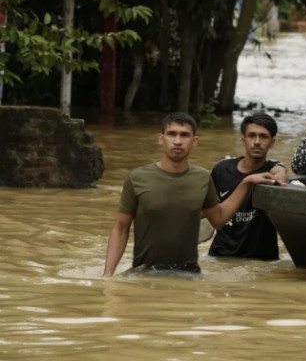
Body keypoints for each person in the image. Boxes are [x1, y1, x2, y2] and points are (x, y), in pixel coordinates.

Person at [103, 113, 278, 277]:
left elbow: (218, 219)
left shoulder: (202, 178)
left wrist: (245, 183)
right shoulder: (137, 178)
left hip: (189, 275)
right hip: (145, 272)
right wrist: (107, 276)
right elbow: (120, 228)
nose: (177, 141)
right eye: (172, 134)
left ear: (194, 141)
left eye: (184, 135)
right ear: (161, 139)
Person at [209, 112, 288, 261]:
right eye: (252, 136)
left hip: (263, 259)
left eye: (263, 136)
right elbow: (206, 210)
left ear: (272, 142)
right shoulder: (222, 169)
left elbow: (279, 171)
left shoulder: (274, 171)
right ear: (243, 140)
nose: (257, 141)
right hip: (221, 255)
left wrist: (281, 172)